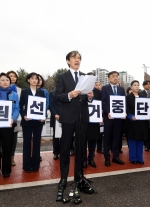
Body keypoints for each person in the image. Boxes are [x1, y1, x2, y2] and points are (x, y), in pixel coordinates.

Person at [55, 51, 94, 200]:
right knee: (65, 148)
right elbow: (58, 96)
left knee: (80, 148)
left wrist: (90, 96)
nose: (77, 60)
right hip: (68, 117)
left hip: (82, 117)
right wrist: (70, 95)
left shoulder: (86, 77)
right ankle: (64, 178)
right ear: (67, 61)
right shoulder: (62, 77)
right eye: (74, 58)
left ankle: (79, 177)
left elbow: (89, 97)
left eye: (79, 58)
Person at [19, 72, 46, 172]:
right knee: (26, 143)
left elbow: (43, 106)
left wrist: (43, 116)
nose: (35, 80)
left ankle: (35, 165)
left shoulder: (41, 92)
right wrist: (23, 115)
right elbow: (21, 105)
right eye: (32, 78)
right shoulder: (24, 92)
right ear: (28, 80)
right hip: (27, 121)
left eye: (36, 79)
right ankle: (27, 166)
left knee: (36, 143)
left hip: (38, 121)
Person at [101, 71, 126, 166]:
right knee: (107, 138)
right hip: (109, 117)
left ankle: (116, 156)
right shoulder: (105, 88)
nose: (115, 78)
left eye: (117, 76)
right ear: (109, 78)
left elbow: (124, 102)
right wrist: (108, 112)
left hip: (119, 118)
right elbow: (103, 102)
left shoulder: (121, 89)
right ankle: (107, 158)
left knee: (117, 137)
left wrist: (124, 112)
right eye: (113, 76)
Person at [126, 80, 150, 164]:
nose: (136, 86)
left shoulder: (143, 96)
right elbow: (127, 109)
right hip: (132, 122)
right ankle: (133, 158)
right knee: (132, 140)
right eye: (134, 85)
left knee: (140, 140)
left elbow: (147, 107)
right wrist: (130, 116)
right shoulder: (128, 97)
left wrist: (148, 116)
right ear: (131, 87)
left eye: (138, 85)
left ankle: (140, 158)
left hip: (142, 122)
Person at [83, 72, 102, 168]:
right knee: (82, 141)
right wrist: (88, 98)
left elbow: (100, 105)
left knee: (93, 141)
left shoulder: (98, 92)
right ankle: (83, 160)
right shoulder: (81, 90)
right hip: (84, 120)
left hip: (94, 121)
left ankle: (91, 158)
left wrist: (101, 116)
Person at [7, 70, 22, 166]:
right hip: (3, 116)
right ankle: (5, 156)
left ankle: (12, 157)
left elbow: (20, 103)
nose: (12, 77)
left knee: (14, 138)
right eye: (10, 76)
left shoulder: (20, 90)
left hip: (16, 117)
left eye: (14, 76)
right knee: (4, 138)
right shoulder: (3, 88)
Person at [139, 80, 150, 151]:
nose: (149, 86)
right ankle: (146, 145)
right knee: (145, 130)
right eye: (147, 84)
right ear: (144, 86)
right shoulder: (140, 93)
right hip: (143, 114)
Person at [49, 89, 61, 159]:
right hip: (55, 117)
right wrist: (55, 114)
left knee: (65, 137)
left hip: (65, 117)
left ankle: (63, 152)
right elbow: (51, 105)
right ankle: (56, 152)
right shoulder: (52, 93)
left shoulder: (67, 92)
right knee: (56, 136)